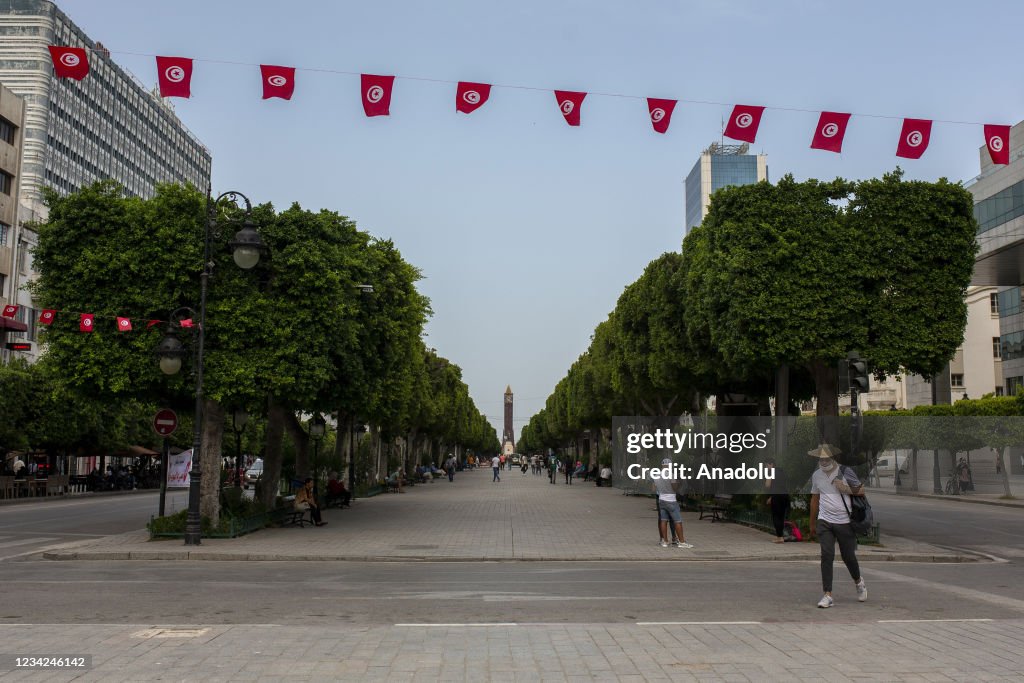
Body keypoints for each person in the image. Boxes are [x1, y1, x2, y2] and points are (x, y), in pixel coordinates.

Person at [808, 444, 866, 608]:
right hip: (825, 521)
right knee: (826, 556)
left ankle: (859, 582)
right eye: (821, 459)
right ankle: (828, 595)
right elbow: (814, 500)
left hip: (844, 522)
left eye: (826, 458)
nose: (824, 461)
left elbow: (862, 490)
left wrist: (845, 488)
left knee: (848, 557)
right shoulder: (816, 475)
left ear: (832, 458)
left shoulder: (845, 471)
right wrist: (812, 523)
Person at [653, 458, 692, 548]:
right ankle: (682, 542)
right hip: (671, 500)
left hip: (661, 500)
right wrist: (678, 483)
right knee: (678, 521)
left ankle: (665, 541)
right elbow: (674, 488)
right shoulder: (671, 475)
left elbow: (653, 489)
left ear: (662, 465)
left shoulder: (656, 475)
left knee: (663, 520)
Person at [764, 457, 790, 544]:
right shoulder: (781, 471)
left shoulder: (770, 472)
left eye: (766, 465)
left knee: (776, 517)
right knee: (781, 517)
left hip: (777, 497)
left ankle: (779, 538)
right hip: (785, 496)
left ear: (771, 464)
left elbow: (768, 485)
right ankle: (780, 536)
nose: (766, 467)